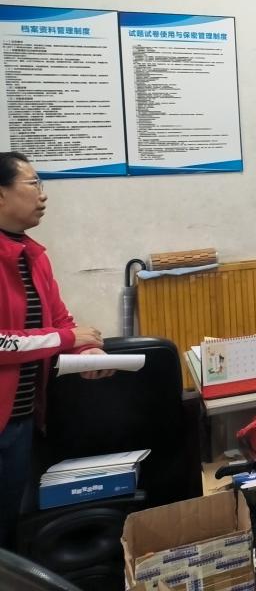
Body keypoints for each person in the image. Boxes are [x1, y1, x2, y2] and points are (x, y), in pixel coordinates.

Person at [0, 152, 112, 548]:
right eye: (33, 184)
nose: (43, 195)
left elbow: (61, 323)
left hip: (22, 420)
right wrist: (69, 340)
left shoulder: (33, 256)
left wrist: (87, 354)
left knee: (11, 530)